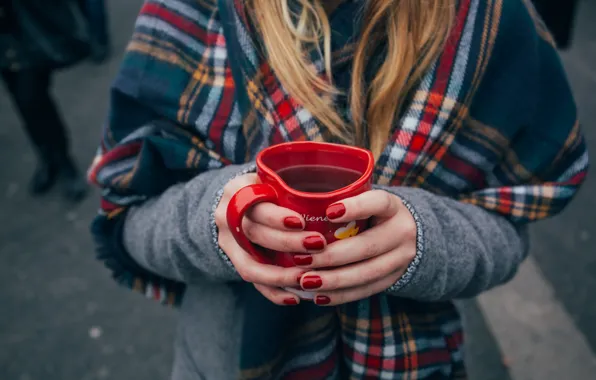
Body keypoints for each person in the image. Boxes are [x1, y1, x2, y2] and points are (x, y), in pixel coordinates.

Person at [88, 0, 588, 379]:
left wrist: (425, 240)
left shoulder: (487, 21)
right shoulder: (192, 11)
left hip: (409, 362)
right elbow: (129, 218)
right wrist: (219, 216)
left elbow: (509, 227)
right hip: (225, 360)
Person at [1, 0, 87, 201]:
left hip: (26, 30)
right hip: (5, 41)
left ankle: (64, 161)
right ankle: (47, 158)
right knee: (23, 104)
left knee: (34, 98)